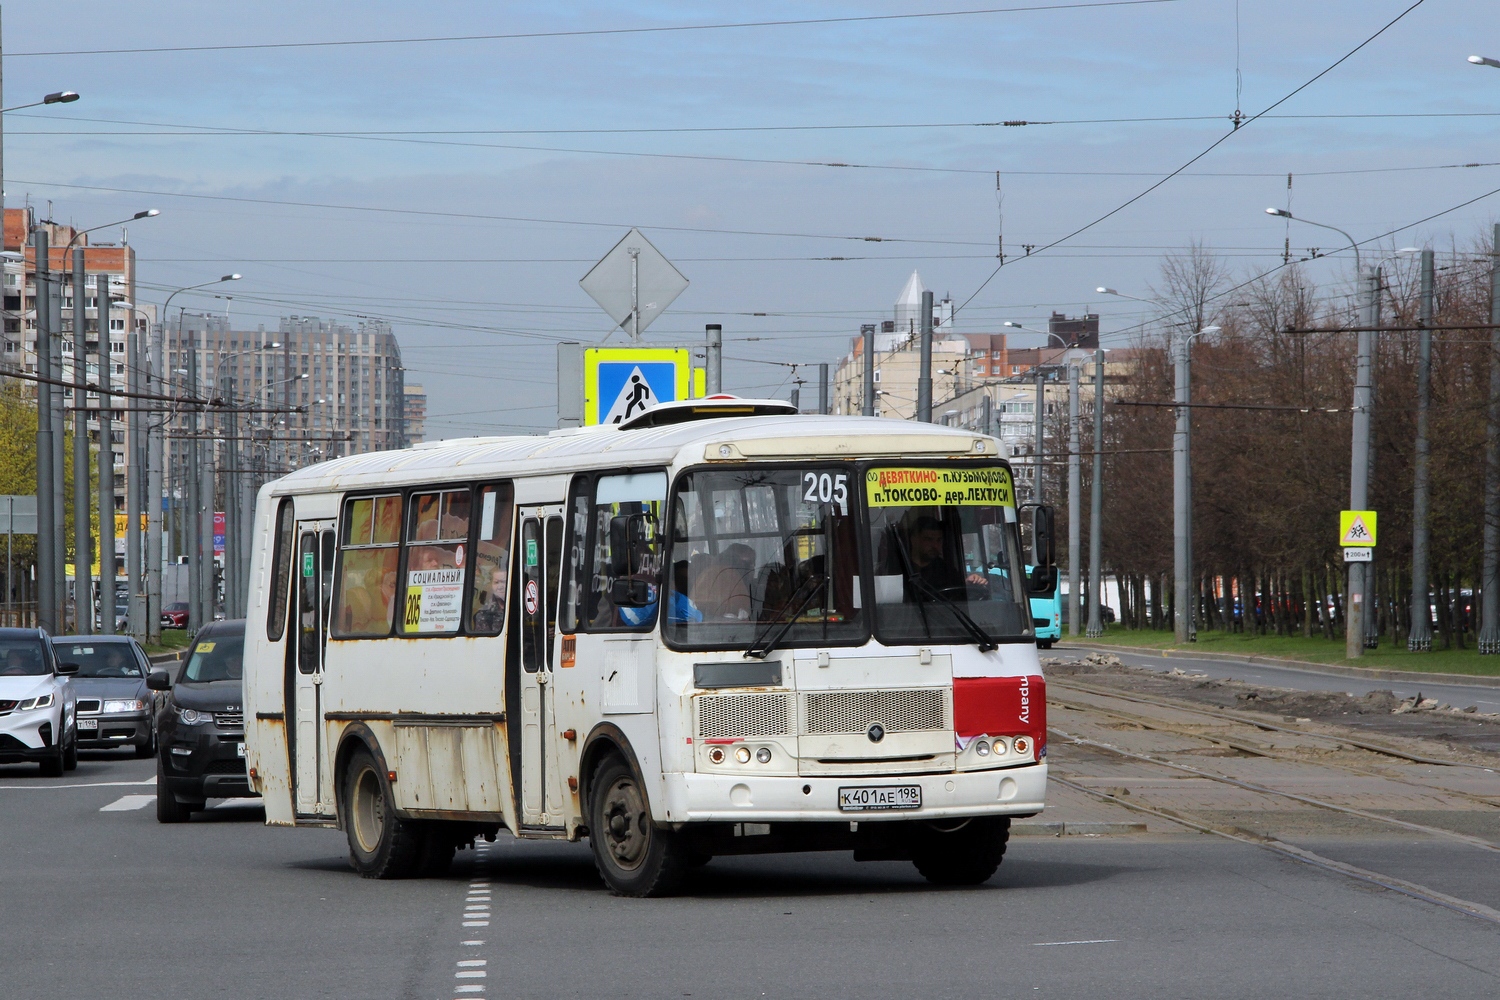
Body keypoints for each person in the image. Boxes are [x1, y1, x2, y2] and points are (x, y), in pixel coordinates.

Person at [907, 517, 987, 593]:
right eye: (928, 540)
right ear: (914, 540)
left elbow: (958, 591)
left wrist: (969, 583)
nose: (935, 545)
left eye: (939, 540)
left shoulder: (946, 570)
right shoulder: (901, 569)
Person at [473, 564, 507, 632]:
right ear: (491, 585)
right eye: (496, 582)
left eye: (503, 582)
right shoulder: (484, 614)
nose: (500, 587)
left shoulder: (522, 609)